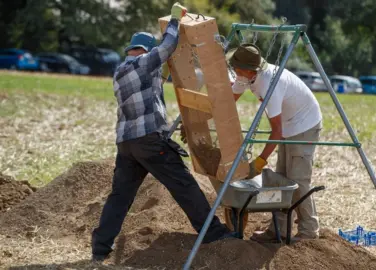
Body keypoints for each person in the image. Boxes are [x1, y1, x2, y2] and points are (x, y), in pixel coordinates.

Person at [91, 2, 232, 262]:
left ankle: (100, 247)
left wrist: (164, 70)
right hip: (148, 140)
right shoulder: (143, 63)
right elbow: (166, 48)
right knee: (183, 185)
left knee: (120, 197)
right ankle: (213, 232)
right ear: (145, 50)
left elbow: (154, 81)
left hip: (127, 144)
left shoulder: (122, 71)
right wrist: (176, 20)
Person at [226, 43, 323, 243]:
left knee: (298, 180)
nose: (234, 71)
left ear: (249, 69)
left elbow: (276, 131)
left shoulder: (270, 83)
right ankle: (278, 230)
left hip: (304, 124)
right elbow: (227, 102)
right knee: (281, 179)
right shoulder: (245, 77)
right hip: (288, 124)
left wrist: (260, 160)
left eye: (236, 67)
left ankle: (309, 231)